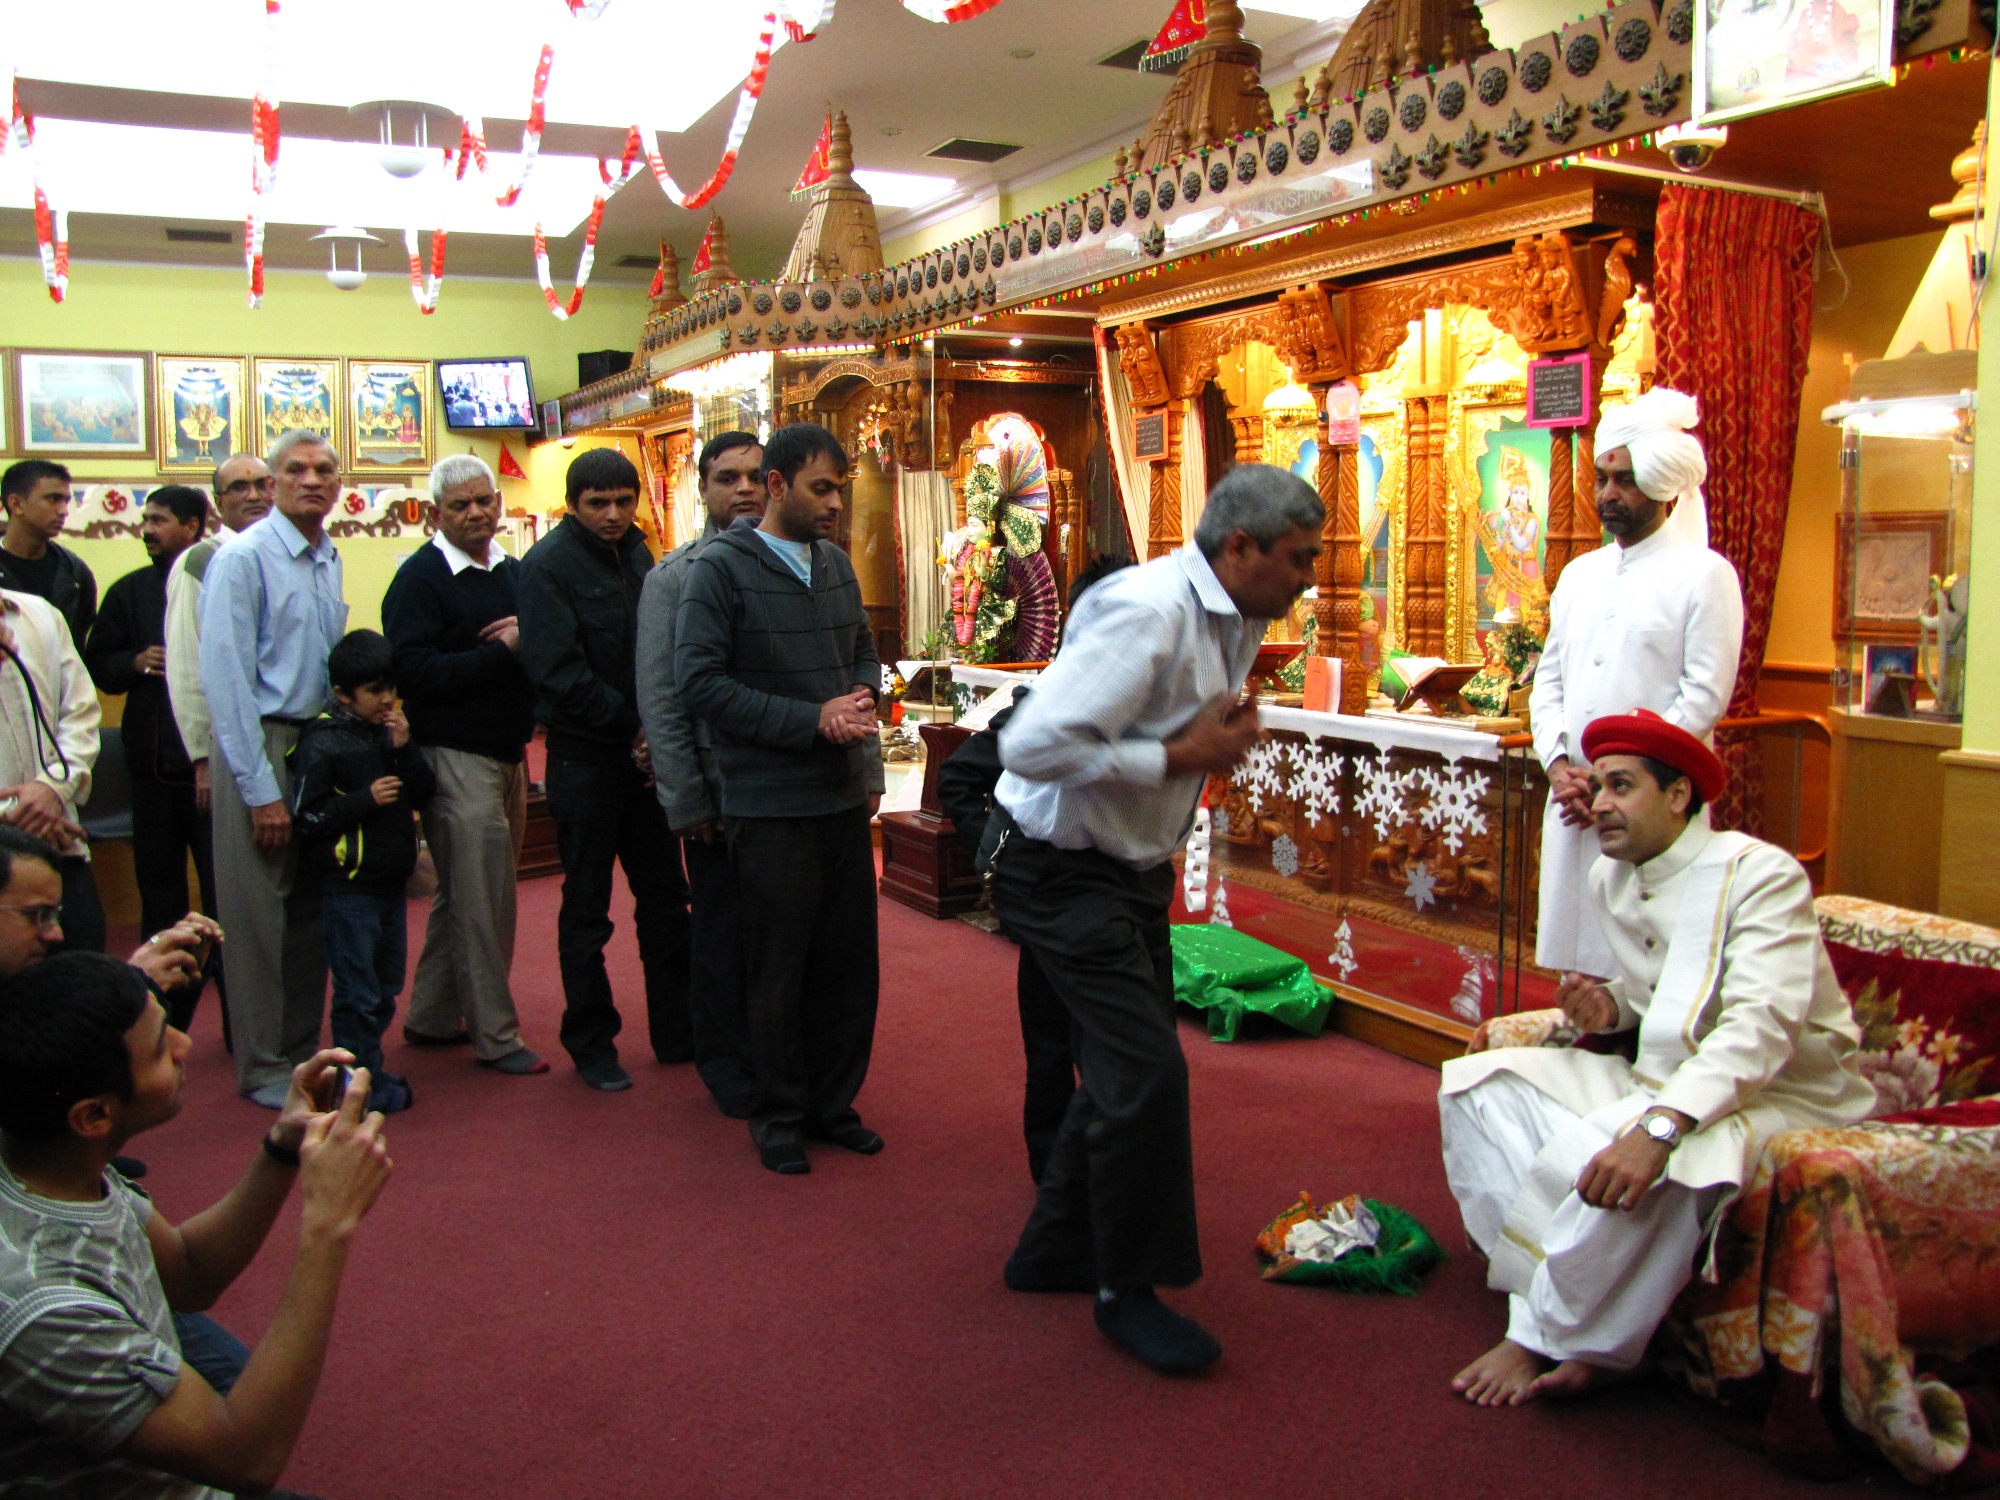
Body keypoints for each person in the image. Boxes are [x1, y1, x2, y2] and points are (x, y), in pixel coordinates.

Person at [1440, 710, 1876, 1406]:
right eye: (1598, 786)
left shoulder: (1758, 874)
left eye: (1621, 786)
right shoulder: (1612, 879)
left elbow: (1759, 1025)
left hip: (1776, 1095)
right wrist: (1610, 1009)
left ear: (1679, 797)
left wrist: (1663, 1125)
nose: (1600, 804)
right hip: (1663, 1075)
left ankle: (1555, 1336)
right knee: (1479, 1086)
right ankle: (1553, 1282)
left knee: (1664, 1160)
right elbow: (1667, 993)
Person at [990, 464, 1322, 1375]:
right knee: (1148, 1074)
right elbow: (1032, 744)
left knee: (1121, 1073)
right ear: (1240, 547)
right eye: (1300, 559)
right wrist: (1184, 752)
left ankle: (1052, 1251)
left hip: (1127, 871)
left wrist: (1198, 743)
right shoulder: (1148, 609)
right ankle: (1124, 1292)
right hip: (1058, 873)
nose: (1311, 578)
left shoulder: (1240, 610)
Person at [0, 951, 392, 1499]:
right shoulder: (43, 1304)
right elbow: (246, 1458)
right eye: (162, 1046)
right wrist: (328, 1224)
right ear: (92, 1116)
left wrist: (284, 1145)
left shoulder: (62, 1166)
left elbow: (189, 1272)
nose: (186, 1047)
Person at [677, 422, 886, 1176]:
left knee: (846, 966)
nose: (834, 504)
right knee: (776, 969)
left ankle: (833, 1105)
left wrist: (864, 694)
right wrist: (812, 719)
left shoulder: (833, 564)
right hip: (768, 806)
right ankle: (779, 1113)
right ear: (775, 486)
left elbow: (861, 648)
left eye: (841, 489)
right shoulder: (720, 570)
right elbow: (700, 684)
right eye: (820, 488)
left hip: (837, 800)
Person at [1530, 388, 1744, 977]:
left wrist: (1615, 780)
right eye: (1602, 479)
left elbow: (1703, 697)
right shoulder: (1579, 574)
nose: (1608, 495)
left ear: (1664, 484)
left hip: (1653, 806)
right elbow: (1549, 681)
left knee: (1647, 971)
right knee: (1577, 972)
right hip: (1574, 801)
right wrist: (1557, 765)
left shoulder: (1706, 575)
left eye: (1623, 481)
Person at [936, 555, 1131, 1184]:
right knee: (1050, 1051)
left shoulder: (1151, 698)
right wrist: (1000, 861)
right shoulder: (1043, 700)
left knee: (1120, 1054)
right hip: (1052, 899)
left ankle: (1114, 1172)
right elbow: (961, 778)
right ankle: (1051, 1178)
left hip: (1124, 905)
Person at [519, 447, 690, 1093]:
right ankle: (592, 1042)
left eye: (624, 500)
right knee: (588, 911)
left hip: (645, 760)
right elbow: (557, 676)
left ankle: (679, 1029)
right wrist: (637, 727)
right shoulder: (547, 566)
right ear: (574, 504)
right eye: (599, 503)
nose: (614, 515)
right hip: (585, 759)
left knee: (667, 902)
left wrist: (658, 730)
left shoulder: (645, 556)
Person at [382, 454, 546, 1076]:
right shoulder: (419, 580)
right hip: (452, 755)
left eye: (485, 501)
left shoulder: (512, 569)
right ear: (434, 513)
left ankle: (430, 1015)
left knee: (463, 894)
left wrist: (526, 640)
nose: (477, 513)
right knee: (487, 901)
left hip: (508, 753)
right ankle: (496, 1036)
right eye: (461, 505)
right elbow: (411, 672)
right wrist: (503, 652)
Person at [198, 431, 345, 1107]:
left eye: (324, 470)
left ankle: (298, 1055)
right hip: (260, 747)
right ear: (273, 483)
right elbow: (225, 683)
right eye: (296, 470)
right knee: (258, 916)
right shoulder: (244, 559)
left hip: (314, 747)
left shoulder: (326, 556)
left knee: (310, 911)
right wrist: (260, 792)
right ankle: (260, 1065)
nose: (312, 480)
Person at [635, 430, 764, 1118]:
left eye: (753, 476)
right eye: (726, 478)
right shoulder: (673, 579)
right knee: (720, 935)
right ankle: (727, 1067)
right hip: (715, 794)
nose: (742, 489)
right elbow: (661, 699)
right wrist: (684, 798)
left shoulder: (801, 564)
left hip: (784, 794)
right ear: (703, 490)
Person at [84, 485, 218, 1030]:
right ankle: (158, 1005)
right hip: (152, 765)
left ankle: (237, 1005)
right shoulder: (128, 591)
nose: (147, 530)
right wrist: (136, 660)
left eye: (159, 520)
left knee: (219, 889)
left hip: (210, 766)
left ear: (192, 526)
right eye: (145, 520)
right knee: (159, 886)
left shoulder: (218, 578)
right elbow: (100, 663)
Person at [289, 630, 437, 1116]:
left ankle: (366, 1070)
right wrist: (361, 801)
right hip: (347, 888)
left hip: (390, 882)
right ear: (343, 694)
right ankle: (358, 1088)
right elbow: (306, 818)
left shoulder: (390, 733)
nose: (388, 699)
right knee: (356, 993)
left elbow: (423, 791)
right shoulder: (322, 742)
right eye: (375, 691)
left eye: (391, 688)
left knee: (386, 985)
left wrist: (405, 747)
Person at [165, 453, 273, 825]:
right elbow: (186, 666)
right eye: (240, 487)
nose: (254, 495)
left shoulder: (288, 556)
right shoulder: (201, 560)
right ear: (219, 501)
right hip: (226, 745)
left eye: (263, 484)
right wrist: (202, 757)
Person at [0, 583, 104, 955]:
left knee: (81, 968)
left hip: (58, 841)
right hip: (26, 834)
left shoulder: (40, 614)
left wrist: (52, 791)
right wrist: (16, 816)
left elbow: (81, 714)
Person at [0, 458, 97, 645]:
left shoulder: (74, 573)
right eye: (53, 499)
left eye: (66, 501)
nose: (63, 511)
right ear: (16, 504)